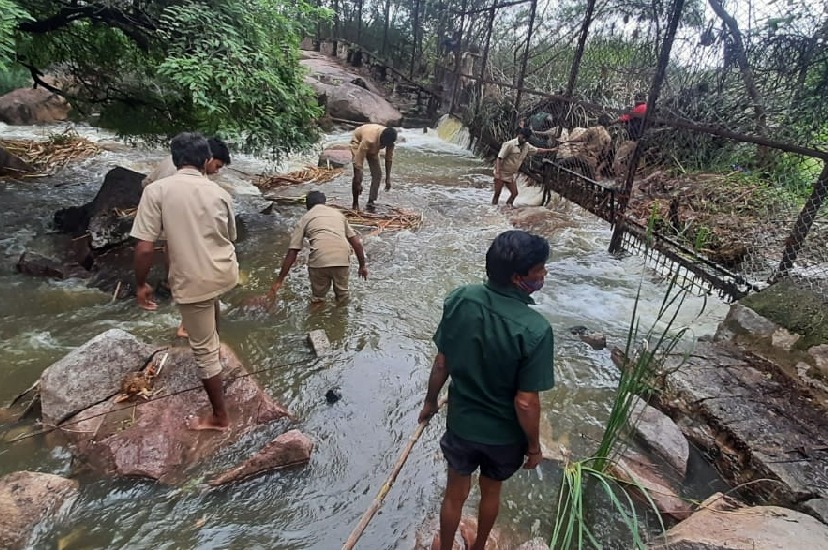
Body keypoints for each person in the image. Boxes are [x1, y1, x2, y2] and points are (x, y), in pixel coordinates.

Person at [418, 230, 555, 550]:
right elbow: (525, 402)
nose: (544, 274)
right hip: (503, 437)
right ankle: (479, 547)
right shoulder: (535, 329)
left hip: (462, 425)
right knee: (491, 492)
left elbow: (442, 363)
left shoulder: (460, 299)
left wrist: (429, 401)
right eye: (539, 270)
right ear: (519, 278)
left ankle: (447, 545)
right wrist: (534, 447)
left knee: (454, 493)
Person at [131, 132, 239, 431]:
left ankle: (219, 418)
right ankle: (217, 349)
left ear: (176, 159)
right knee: (210, 302)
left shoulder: (156, 191)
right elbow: (230, 236)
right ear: (206, 160)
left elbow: (144, 247)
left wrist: (141, 284)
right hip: (225, 271)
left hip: (194, 280)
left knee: (202, 349)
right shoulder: (220, 193)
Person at [141, 137, 232, 338]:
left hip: (162, 213)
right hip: (175, 217)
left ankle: (172, 286)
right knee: (190, 258)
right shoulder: (200, 182)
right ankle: (187, 323)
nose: (217, 171)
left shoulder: (173, 161)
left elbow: (146, 182)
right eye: (217, 165)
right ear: (207, 158)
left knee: (173, 251)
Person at [267, 191, 367, 303]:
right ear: (324, 203)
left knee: (318, 300)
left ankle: (315, 316)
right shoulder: (339, 215)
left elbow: (293, 252)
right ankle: (340, 319)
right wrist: (362, 266)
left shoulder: (305, 218)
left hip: (319, 261)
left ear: (307, 206)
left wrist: (279, 280)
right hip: (341, 261)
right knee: (343, 299)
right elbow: (357, 243)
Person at [493, 127, 556, 206]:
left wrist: (550, 150)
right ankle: (493, 212)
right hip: (501, 173)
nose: (524, 140)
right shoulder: (509, 144)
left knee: (514, 193)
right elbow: (499, 158)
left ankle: (508, 206)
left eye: (526, 138)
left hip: (510, 175)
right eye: (523, 137)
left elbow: (537, 150)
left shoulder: (526, 146)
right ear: (519, 135)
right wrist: (497, 173)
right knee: (497, 194)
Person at [350, 124, 397, 212]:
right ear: (382, 139)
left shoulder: (390, 141)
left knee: (378, 174)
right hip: (358, 142)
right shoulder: (368, 140)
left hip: (374, 148)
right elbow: (358, 163)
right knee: (358, 177)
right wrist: (359, 181)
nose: (385, 146)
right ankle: (355, 203)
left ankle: (371, 201)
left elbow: (388, 159)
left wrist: (388, 179)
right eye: (384, 144)